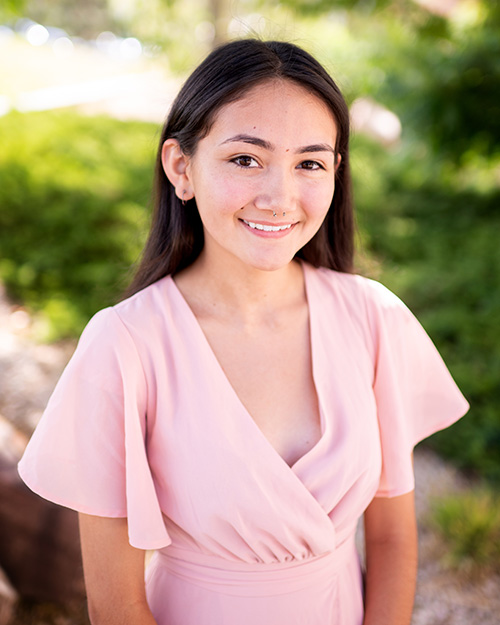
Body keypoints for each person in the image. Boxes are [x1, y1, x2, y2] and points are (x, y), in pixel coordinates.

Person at [18, 39, 469, 625]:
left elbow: (389, 540)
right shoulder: (124, 346)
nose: (279, 197)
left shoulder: (372, 318)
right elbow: (116, 605)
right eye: (246, 159)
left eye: (309, 163)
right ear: (181, 167)